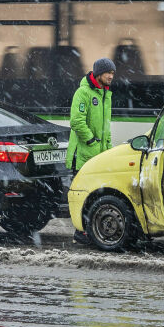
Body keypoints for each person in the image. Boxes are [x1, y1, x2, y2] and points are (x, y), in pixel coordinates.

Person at [66, 57, 115, 244]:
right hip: (83, 155)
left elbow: (106, 127)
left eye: (112, 73)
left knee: (97, 194)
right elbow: (76, 121)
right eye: (108, 73)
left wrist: (108, 149)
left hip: (99, 156)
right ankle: (80, 232)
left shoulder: (105, 94)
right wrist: (92, 141)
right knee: (84, 194)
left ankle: (89, 231)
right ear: (99, 74)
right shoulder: (83, 93)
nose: (111, 76)